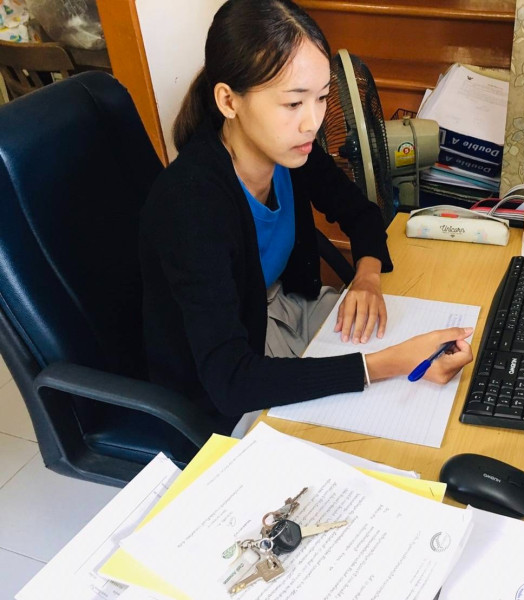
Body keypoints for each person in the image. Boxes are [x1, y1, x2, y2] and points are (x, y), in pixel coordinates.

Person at [139, 0, 473, 434]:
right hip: (224, 382)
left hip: (285, 310)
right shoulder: (191, 203)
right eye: (294, 103)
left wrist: (367, 277)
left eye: (321, 98)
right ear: (228, 101)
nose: (312, 123)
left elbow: (361, 213)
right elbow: (230, 381)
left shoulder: (291, 150)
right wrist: (388, 364)